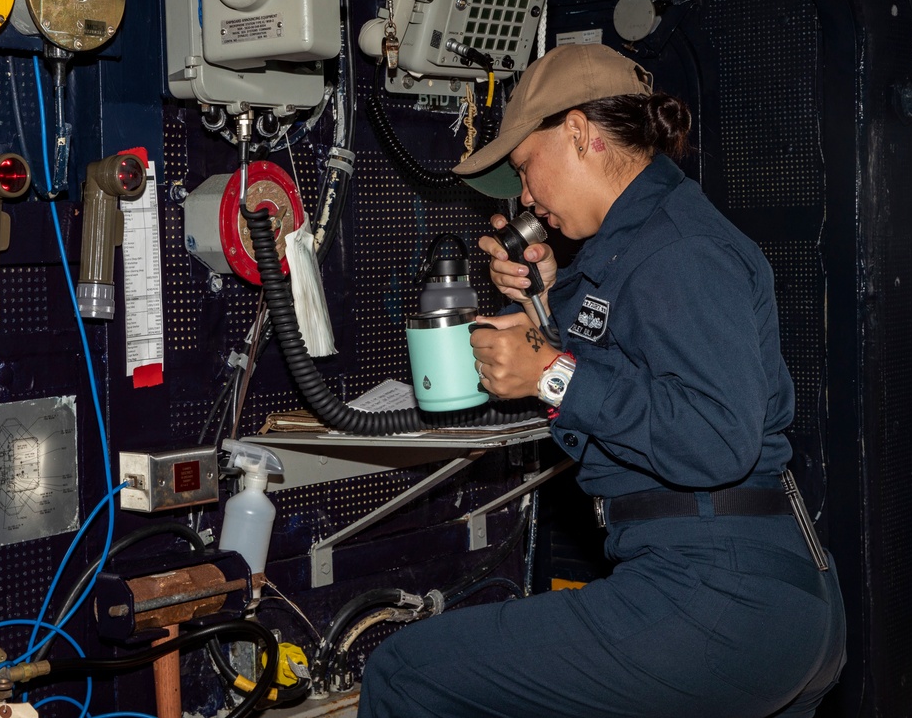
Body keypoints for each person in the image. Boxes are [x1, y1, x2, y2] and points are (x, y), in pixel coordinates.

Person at [356, 43, 846, 717]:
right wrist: (540, 307)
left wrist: (550, 370)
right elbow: (625, 375)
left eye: (527, 169)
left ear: (579, 132)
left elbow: (714, 438)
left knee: (407, 672)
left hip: (713, 594)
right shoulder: (631, 245)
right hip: (765, 598)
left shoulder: (679, 248)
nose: (525, 196)